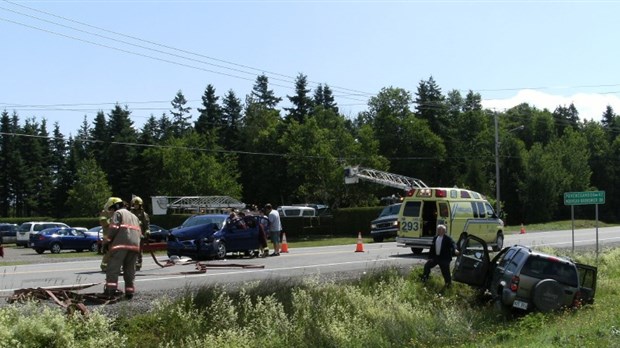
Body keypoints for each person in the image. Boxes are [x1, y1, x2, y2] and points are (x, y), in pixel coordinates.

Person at [103, 197, 142, 300]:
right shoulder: (134, 216)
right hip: (135, 246)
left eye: (111, 209)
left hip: (121, 245)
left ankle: (110, 291)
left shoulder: (118, 213)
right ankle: (129, 293)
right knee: (130, 270)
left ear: (115, 206)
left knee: (113, 268)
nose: (110, 212)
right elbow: (139, 232)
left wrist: (107, 242)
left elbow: (113, 228)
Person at [130, 195, 150, 271]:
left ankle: (138, 264)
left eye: (137, 204)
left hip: (139, 235)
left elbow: (146, 224)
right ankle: (131, 264)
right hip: (131, 234)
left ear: (140, 205)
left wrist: (147, 231)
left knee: (138, 250)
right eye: (134, 204)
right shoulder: (130, 213)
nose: (136, 206)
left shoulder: (143, 214)